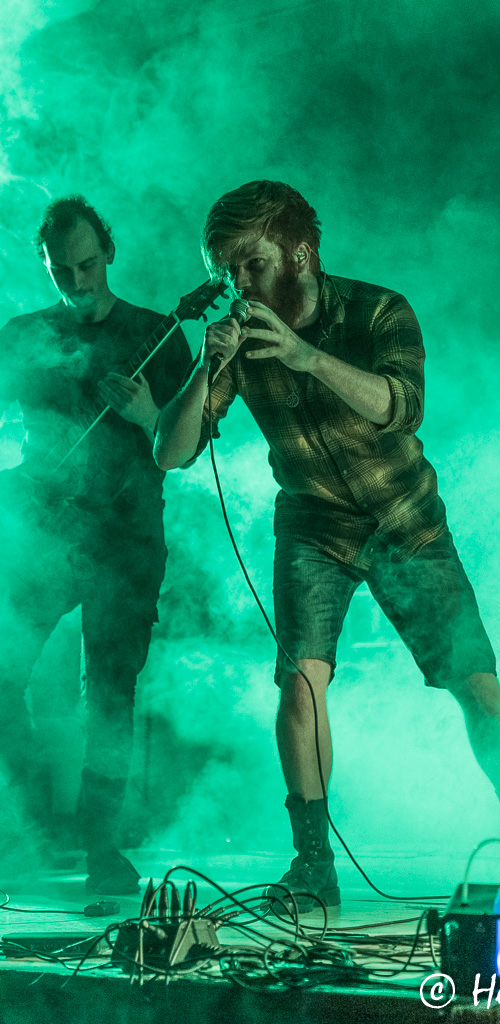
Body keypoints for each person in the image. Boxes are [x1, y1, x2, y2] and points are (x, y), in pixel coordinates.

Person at [154, 180, 500, 911]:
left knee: (475, 682)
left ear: (301, 253)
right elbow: (170, 453)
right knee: (299, 682)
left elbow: (402, 406)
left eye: (251, 264)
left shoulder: (378, 309)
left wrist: (306, 357)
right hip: (314, 525)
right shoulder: (239, 338)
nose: (238, 284)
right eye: (225, 271)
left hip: (407, 519)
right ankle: (313, 868)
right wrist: (208, 366)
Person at [0, 195, 191, 893]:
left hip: (124, 536)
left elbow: (184, 447)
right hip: (42, 531)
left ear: (108, 251)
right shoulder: (22, 335)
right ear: (45, 266)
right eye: (62, 271)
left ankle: (101, 845)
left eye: (87, 265)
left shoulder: (158, 335)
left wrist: (147, 414)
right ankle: (30, 825)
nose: (77, 282)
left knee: (109, 692)